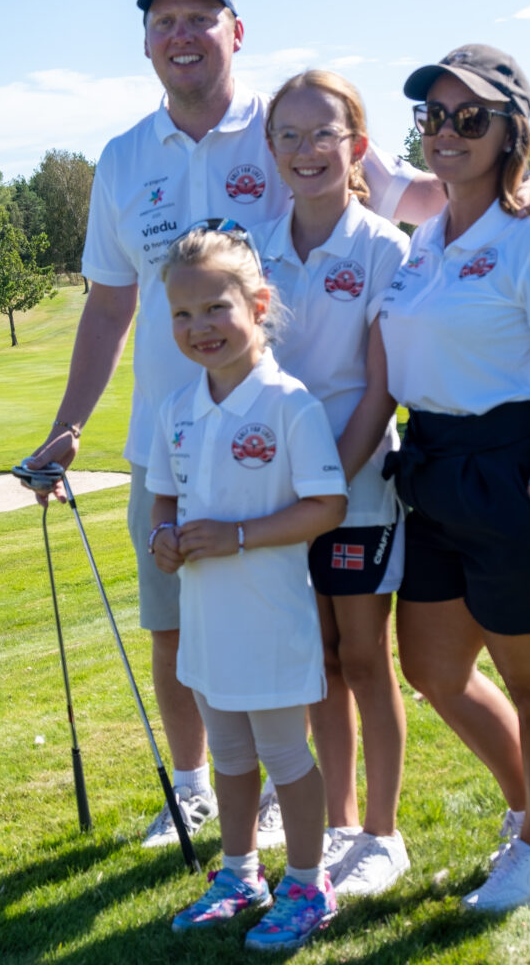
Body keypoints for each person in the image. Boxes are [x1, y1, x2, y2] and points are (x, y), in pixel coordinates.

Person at [23, 0, 530, 850]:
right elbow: (110, 298)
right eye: (164, 20)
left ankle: (349, 819)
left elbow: (425, 188)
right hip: (183, 442)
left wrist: (524, 189)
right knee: (195, 630)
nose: (183, 34)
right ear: (147, 41)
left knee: (347, 656)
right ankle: (210, 788)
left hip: (326, 467)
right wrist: (69, 424)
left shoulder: (290, 121)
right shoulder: (124, 158)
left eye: (201, 17)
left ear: (234, 32)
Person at [379, 44, 530, 912]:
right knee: (433, 667)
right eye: (431, 116)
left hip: (526, 467)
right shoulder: (426, 234)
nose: (445, 132)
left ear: (510, 129)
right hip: (436, 467)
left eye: (468, 117)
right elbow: (322, 141)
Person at [147, 222, 347, 950]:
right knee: (228, 756)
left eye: (215, 308)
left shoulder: (287, 402)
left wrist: (235, 536)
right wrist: (162, 538)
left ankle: (306, 883)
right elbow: (165, 497)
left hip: (268, 620)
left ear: (259, 304)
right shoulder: (178, 410)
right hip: (206, 622)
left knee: (285, 757)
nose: (199, 328)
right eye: (182, 313)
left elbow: (327, 507)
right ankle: (240, 874)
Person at [250, 70, 408, 896]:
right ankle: (340, 823)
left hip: (357, 485)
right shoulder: (257, 252)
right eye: (289, 135)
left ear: (357, 144)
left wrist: (327, 486)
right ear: (271, 150)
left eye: (324, 133)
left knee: (364, 657)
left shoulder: (385, 246)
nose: (306, 150)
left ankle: (383, 835)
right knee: (316, 662)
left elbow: (379, 387)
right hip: (284, 497)